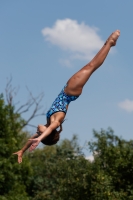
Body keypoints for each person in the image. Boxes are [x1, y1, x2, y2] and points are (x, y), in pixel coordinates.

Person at [13, 30, 120, 163]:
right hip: (70, 92)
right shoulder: (55, 122)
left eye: (38, 134)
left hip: (68, 91)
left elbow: (34, 137)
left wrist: (22, 151)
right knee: (91, 66)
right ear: (47, 133)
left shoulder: (49, 122)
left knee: (90, 67)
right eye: (40, 134)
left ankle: (109, 44)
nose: (37, 131)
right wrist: (39, 139)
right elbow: (45, 133)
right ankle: (109, 43)